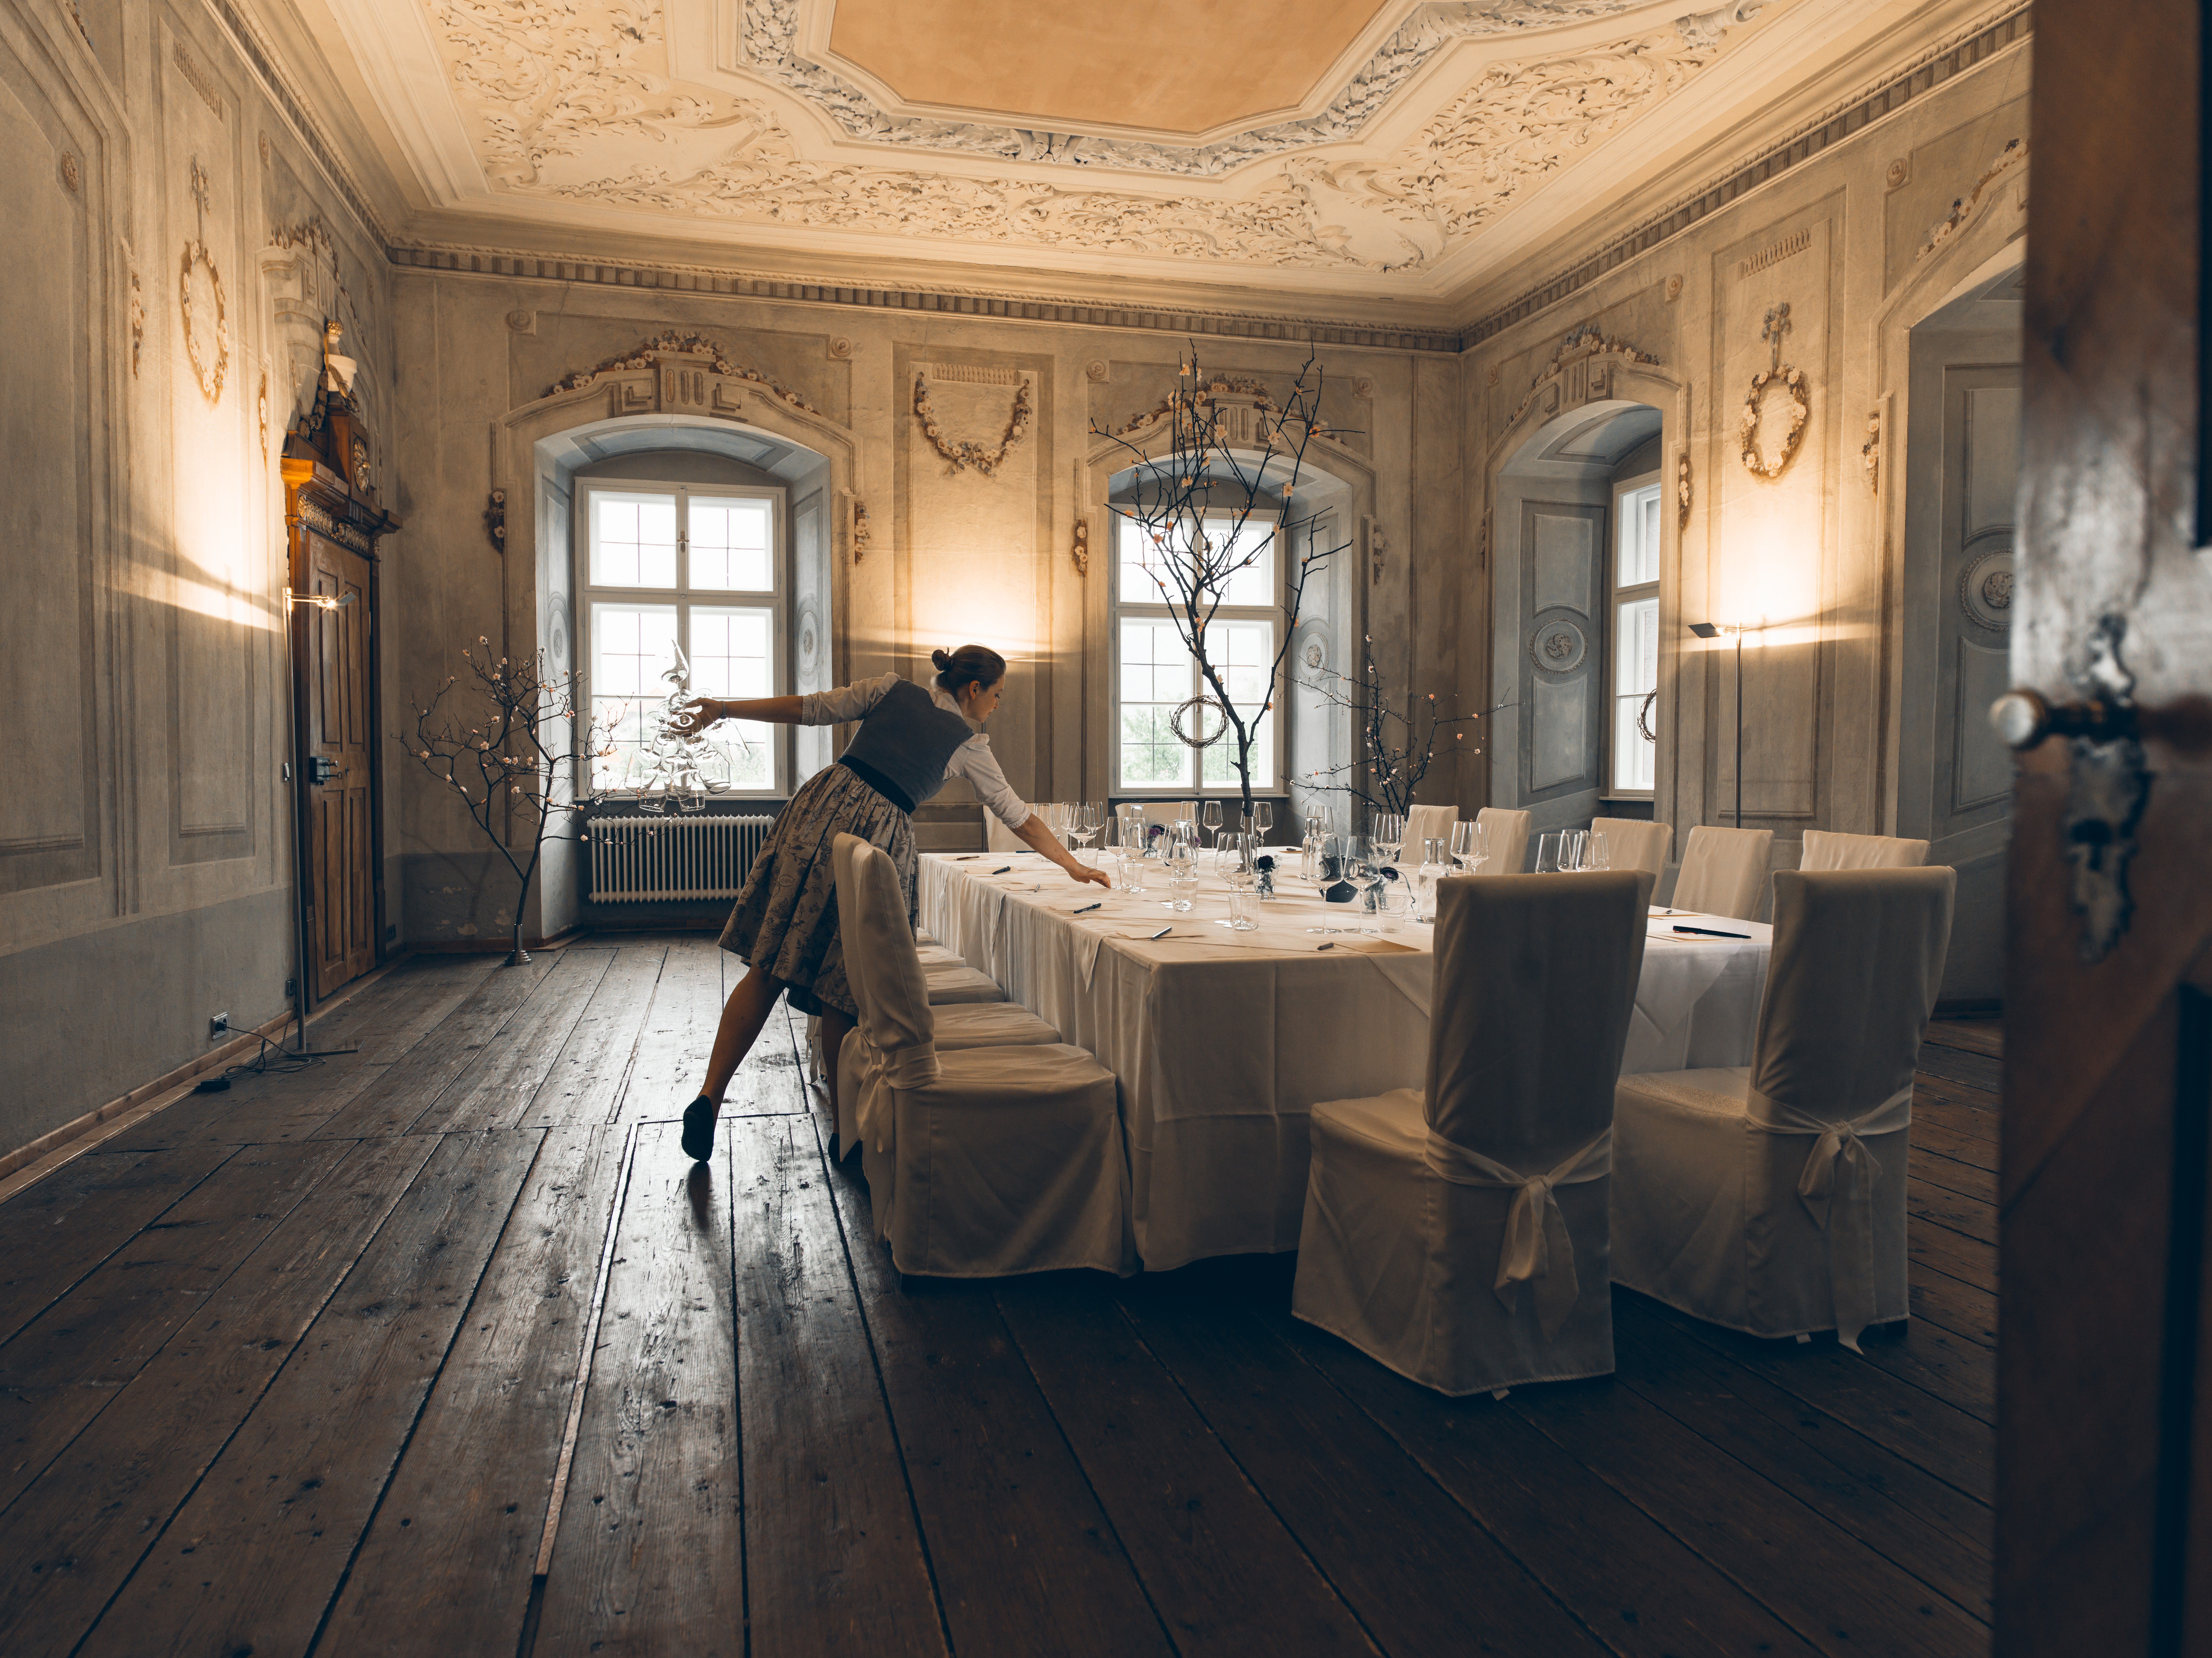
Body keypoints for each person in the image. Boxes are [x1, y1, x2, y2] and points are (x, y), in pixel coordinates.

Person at [672, 644, 1110, 1160]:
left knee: (766, 967)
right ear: (974, 690)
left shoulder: (889, 689)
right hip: (878, 838)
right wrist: (1073, 865)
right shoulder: (969, 745)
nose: (997, 705)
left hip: (819, 811)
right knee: (843, 991)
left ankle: (710, 1095)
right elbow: (1020, 817)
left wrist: (724, 708)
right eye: (997, 695)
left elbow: (807, 709)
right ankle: (843, 1132)